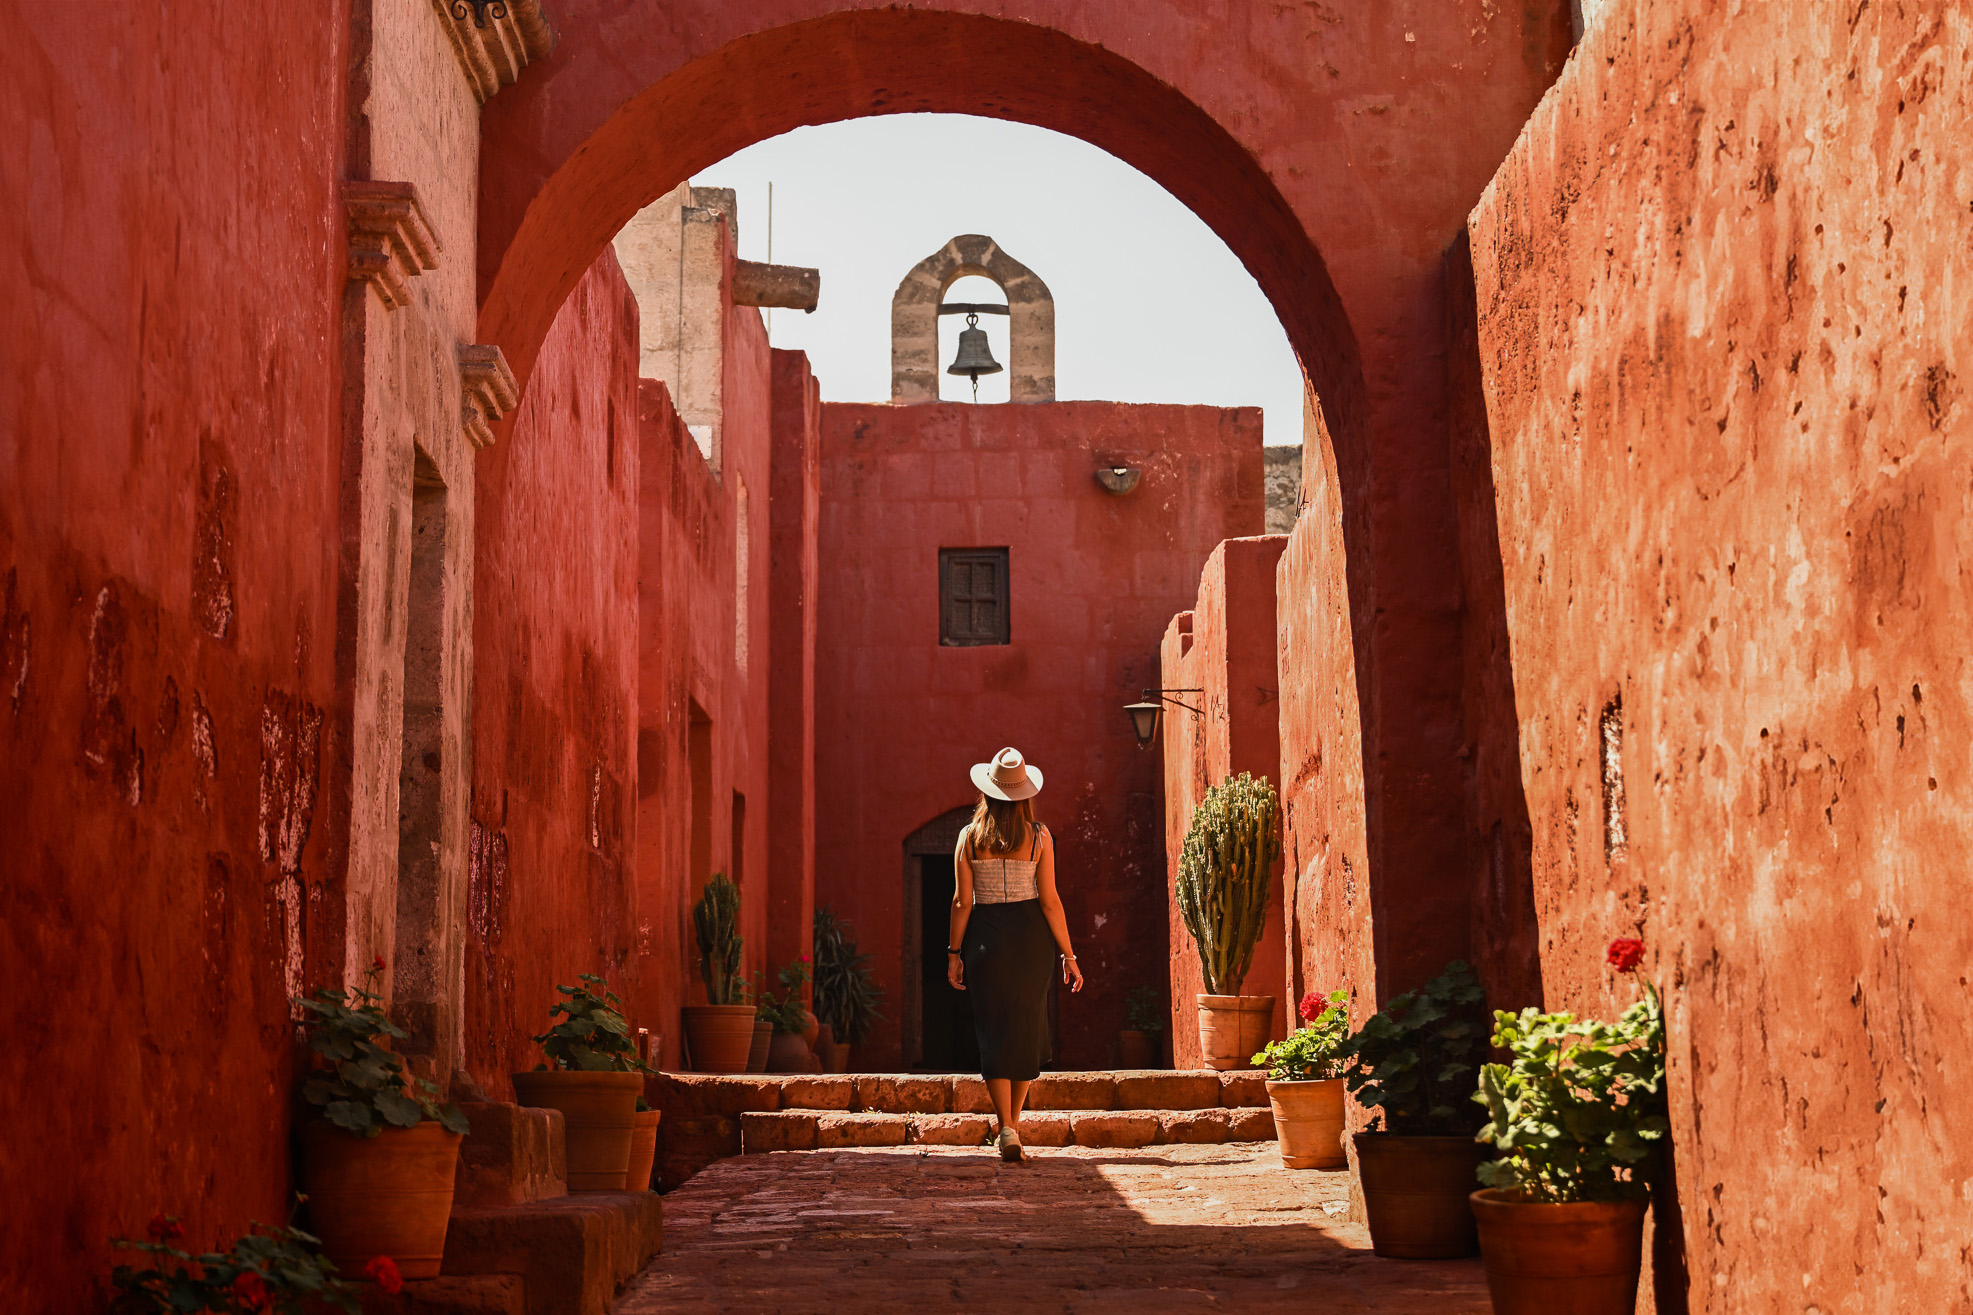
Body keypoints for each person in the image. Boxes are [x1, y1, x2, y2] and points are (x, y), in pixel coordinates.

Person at [947, 747, 1084, 1162]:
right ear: (1024, 793)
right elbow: (1050, 902)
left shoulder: (969, 837)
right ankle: (1013, 1127)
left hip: (987, 937)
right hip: (1031, 940)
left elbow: (961, 902)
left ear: (988, 792)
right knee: (1026, 1028)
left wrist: (954, 952)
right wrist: (1069, 954)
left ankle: (1005, 1125)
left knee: (994, 1030)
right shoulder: (1040, 836)